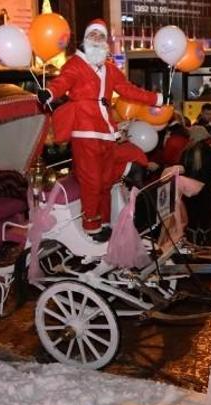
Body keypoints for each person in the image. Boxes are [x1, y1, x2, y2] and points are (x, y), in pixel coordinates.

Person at [37, 18, 165, 242]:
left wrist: (156, 98)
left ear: (105, 41)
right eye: (93, 35)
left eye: (101, 36)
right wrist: (49, 92)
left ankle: (104, 220)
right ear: (86, 39)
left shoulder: (110, 69)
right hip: (85, 130)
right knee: (92, 180)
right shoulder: (75, 64)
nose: (97, 40)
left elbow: (128, 90)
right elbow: (62, 82)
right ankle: (91, 226)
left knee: (105, 181)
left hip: (107, 132)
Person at [180, 125, 211, 245]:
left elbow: (182, 168)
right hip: (206, 187)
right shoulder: (210, 150)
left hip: (189, 187)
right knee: (205, 212)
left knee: (191, 211)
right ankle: (204, 236)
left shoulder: (186, 151)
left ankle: (192, 236)